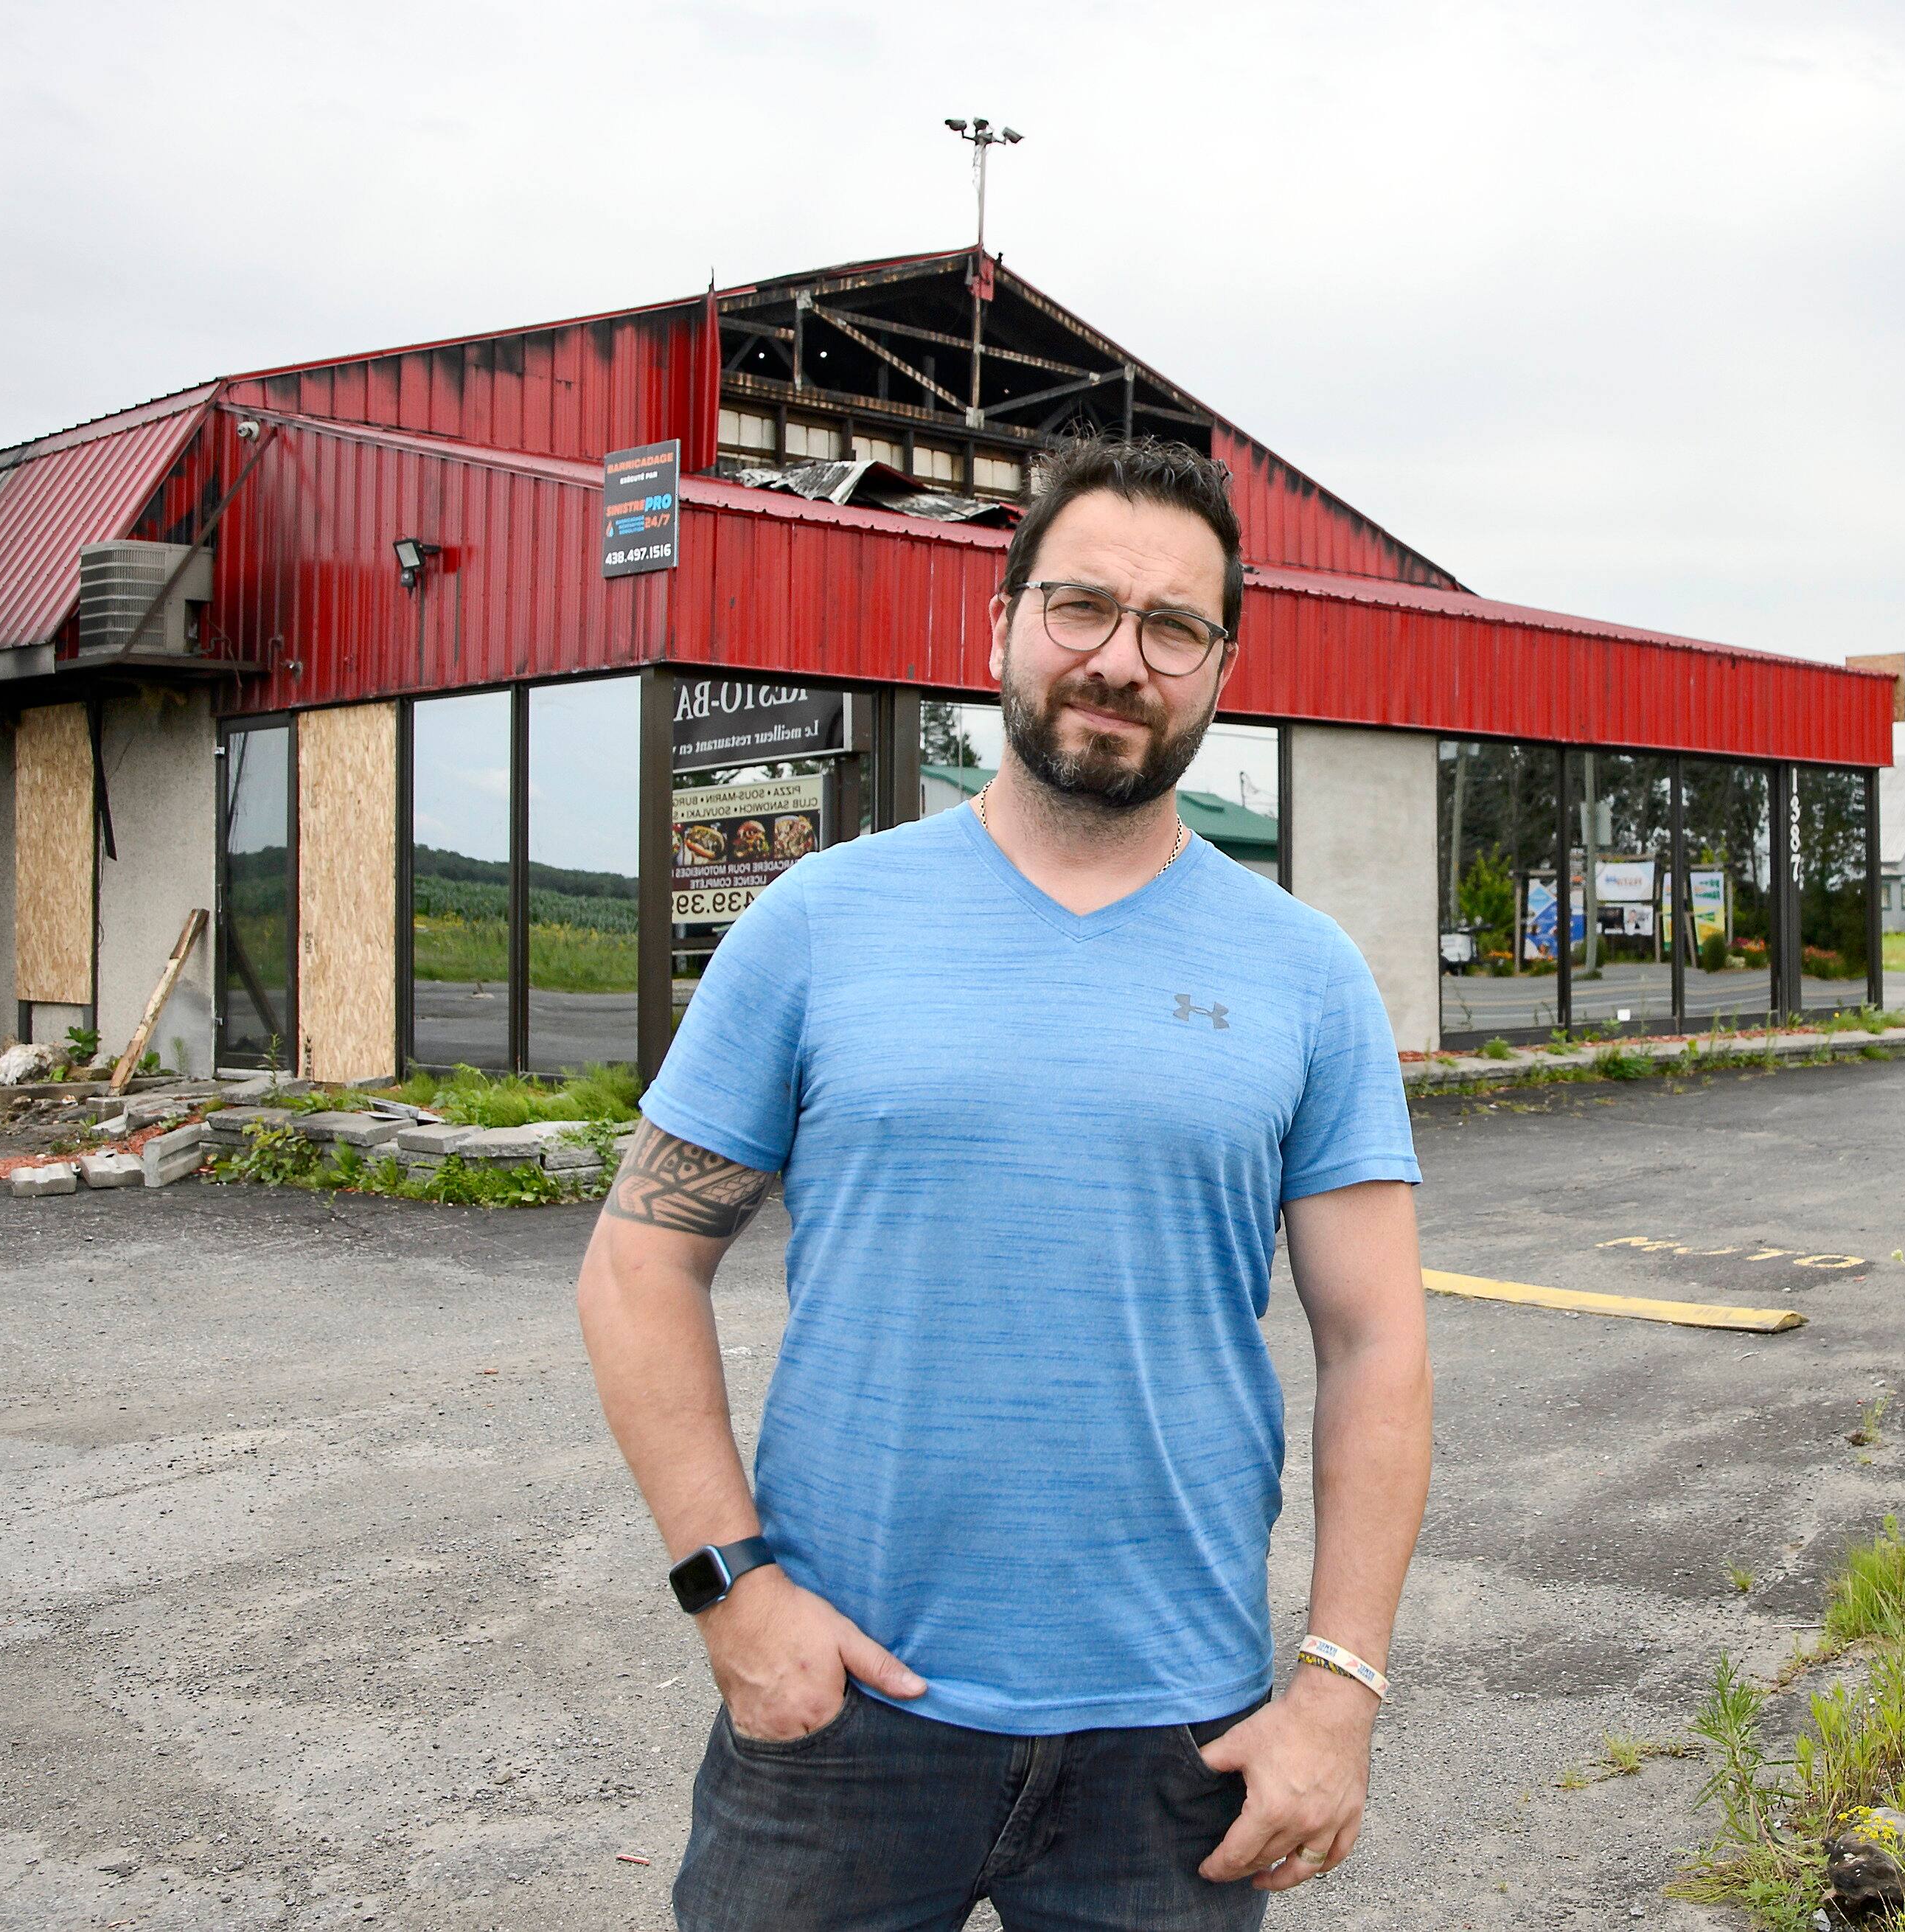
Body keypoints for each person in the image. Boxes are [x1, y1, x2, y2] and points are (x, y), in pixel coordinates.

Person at [575, 436, 1432, 1932]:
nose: (1119, 657)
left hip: (1176, 1738)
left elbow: (1378, 1341)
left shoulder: (1307, 975)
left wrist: (1341, 1684)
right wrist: (733, 1590)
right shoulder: (817, 922)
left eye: (1173, 626)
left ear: (1221, 667)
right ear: (1002, 622)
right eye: (1081, 606)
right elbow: (638, 1259)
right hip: (837, 1711)